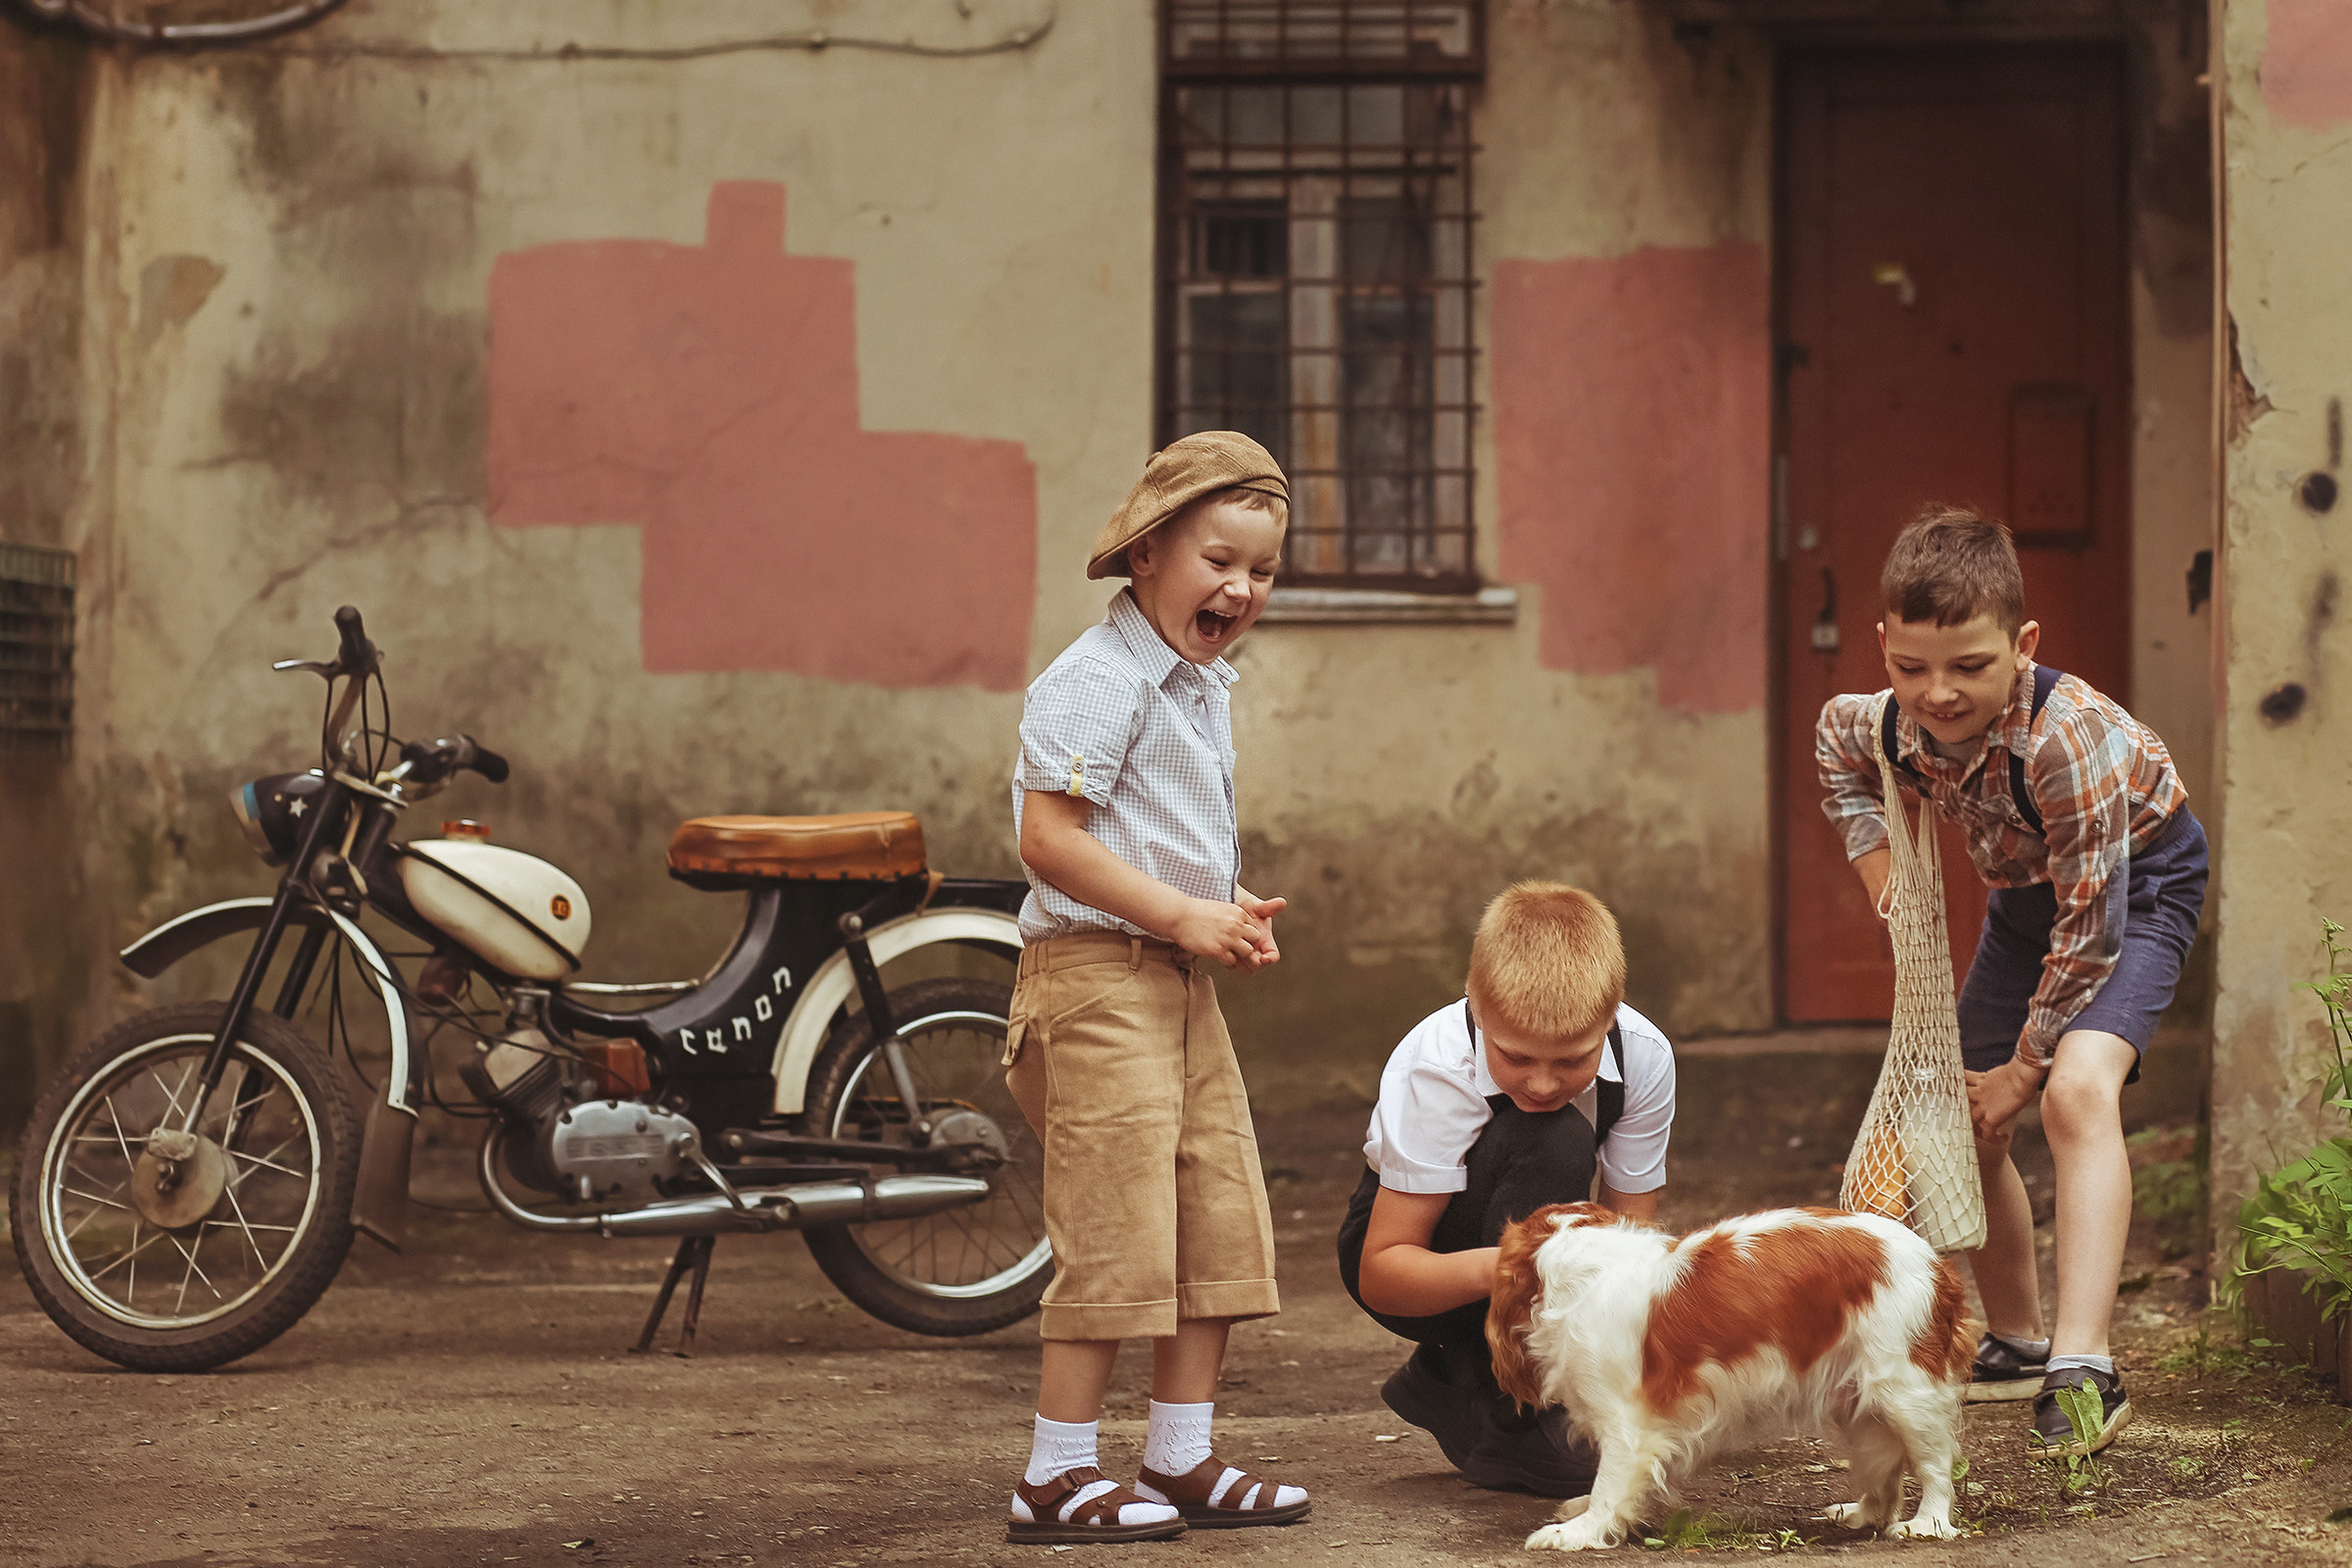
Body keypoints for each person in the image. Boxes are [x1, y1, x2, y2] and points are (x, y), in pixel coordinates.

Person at [1816, 507, 2206, 1457]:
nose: (1938, 693)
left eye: (1969, 667)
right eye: (1911, 668)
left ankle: (2087, 1366)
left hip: (2134, 893)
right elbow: (1837, 756)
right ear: (1885, 649)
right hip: (2030, 903)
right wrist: (1890, 890)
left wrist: (2024, 1070)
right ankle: (2022, 1338)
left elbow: (2092, 927)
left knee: (2075, 1093)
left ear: (2022, 646)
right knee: (1960, 1115)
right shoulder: (1889, 722)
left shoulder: (2063, 740)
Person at [999, 431, 1310, 1544]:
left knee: (1214, 1216)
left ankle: (1179, 1453)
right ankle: (1055, 1471)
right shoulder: (1098, 679)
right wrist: (1181, 911)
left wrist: (1216, 901)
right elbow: (1049, 837)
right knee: (1117, 1226)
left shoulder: (1197, 683)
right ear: (1144, 557)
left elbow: (1152, 832)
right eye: (1219, 559)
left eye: (1264, 571)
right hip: (1093, 984)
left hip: (1178, 982)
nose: (1241, 587)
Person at [1337, 880, 1675, 1494]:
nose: (1543, 1082)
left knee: (1643, 1448)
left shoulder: (1645, 1055)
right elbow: (1382, 1274)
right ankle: (1510, 1403)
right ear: (1475, 1003)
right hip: (1416, 1261)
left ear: (1612, 1016)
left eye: (1573, 1060)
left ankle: (1453, 1375)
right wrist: (1522, 1266)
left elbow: (1635, 1237)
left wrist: (1628, 1381)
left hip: (1533, 1253)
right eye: (1515, 1057)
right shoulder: (1435, 1067)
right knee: (1553, 1135)